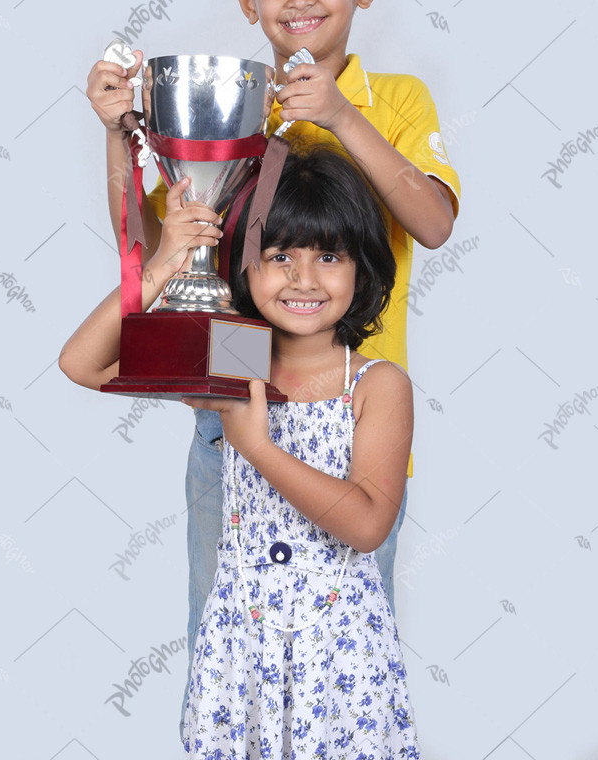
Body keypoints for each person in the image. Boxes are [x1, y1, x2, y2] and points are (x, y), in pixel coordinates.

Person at [85, 0, 461, 730]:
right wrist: (119, 140)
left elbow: (433, 222)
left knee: (346, 668)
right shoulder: (227, 110)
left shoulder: (393, 101)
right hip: (235, 408)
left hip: (349, 413)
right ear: (247, 1)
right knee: (225, 662)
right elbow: (152, 263)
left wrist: (340, 117)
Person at [59, 146, 420, 757]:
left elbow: (366, 524)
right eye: (280, 256)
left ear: (363, 267)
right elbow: (83, 364)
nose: (304, 279)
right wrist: (166, 262)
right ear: (245, 268)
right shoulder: (232, 357)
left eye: (328, 256)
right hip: (242, 647)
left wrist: (255, 446)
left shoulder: (377, 384)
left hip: (340, 655)